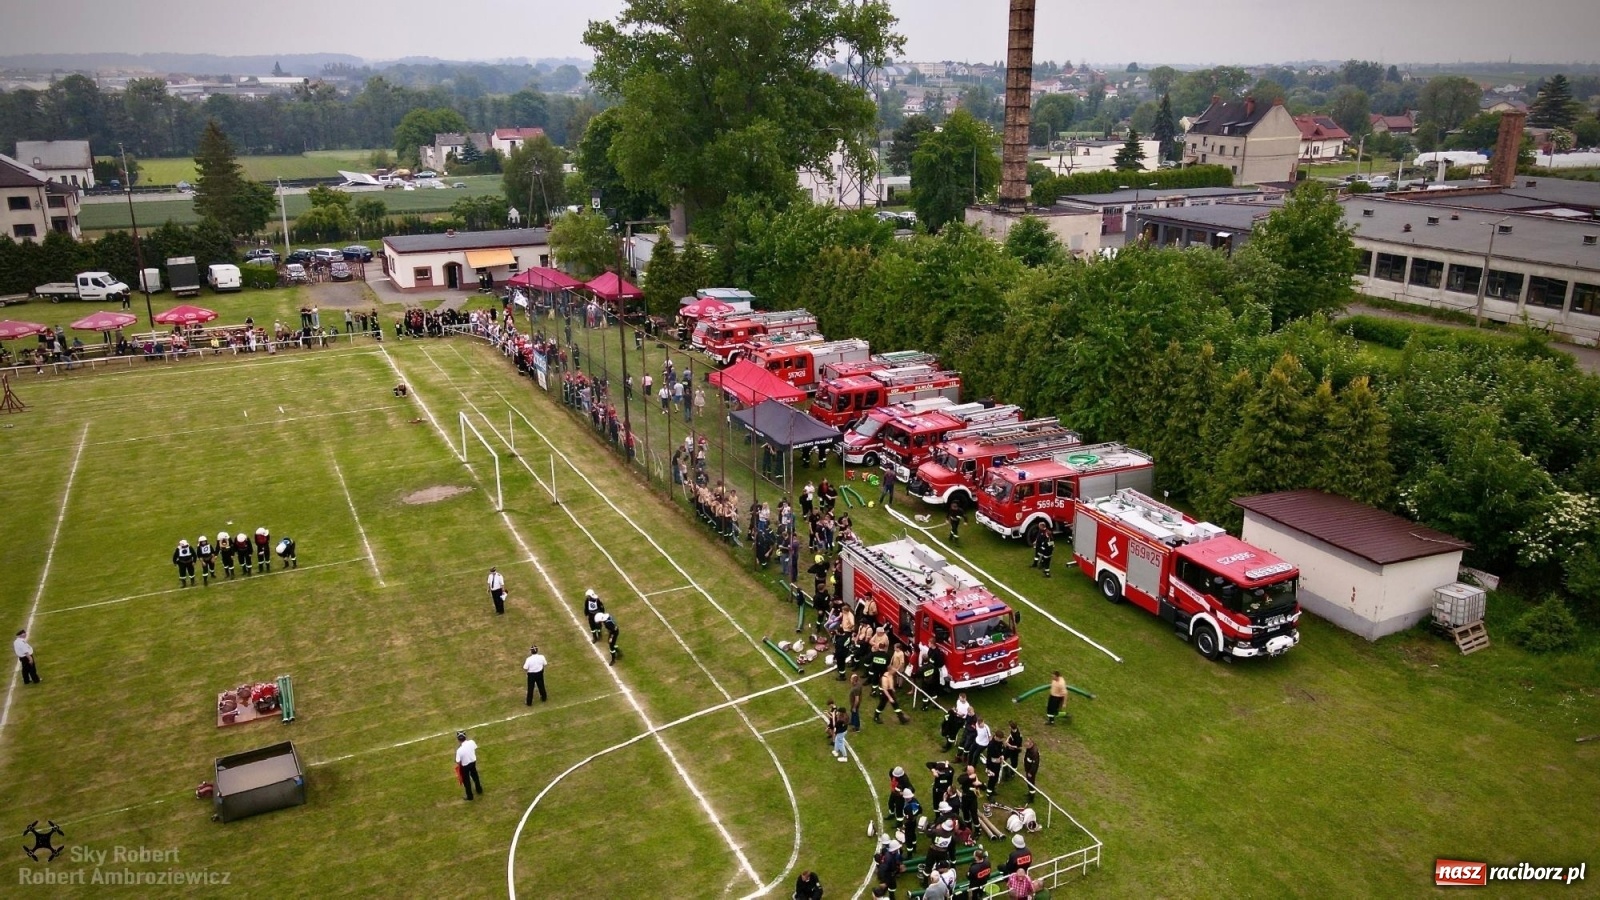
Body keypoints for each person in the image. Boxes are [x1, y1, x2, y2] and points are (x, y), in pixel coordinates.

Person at [455, 731, 483, 801]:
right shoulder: (472, 742)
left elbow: (458, 761)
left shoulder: (459, 750)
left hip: (465, 766)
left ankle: (470, 796)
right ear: (465, 737)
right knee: (475, 776)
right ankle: (479, 789)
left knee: (466, 781)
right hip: (473, 762)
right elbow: (474, 748)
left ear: (458, 739)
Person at [1022, 739, 1040, 805]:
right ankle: (1030, 792)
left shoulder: (1034, 753)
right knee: (1028, 782)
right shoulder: (1029, 749)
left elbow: (1035, 764)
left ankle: (1031, 798)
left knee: (1031, 783)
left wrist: (1031, 772)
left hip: (1031, 771)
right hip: (1028, 769)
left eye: (1027, 746)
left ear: (1031, 744)